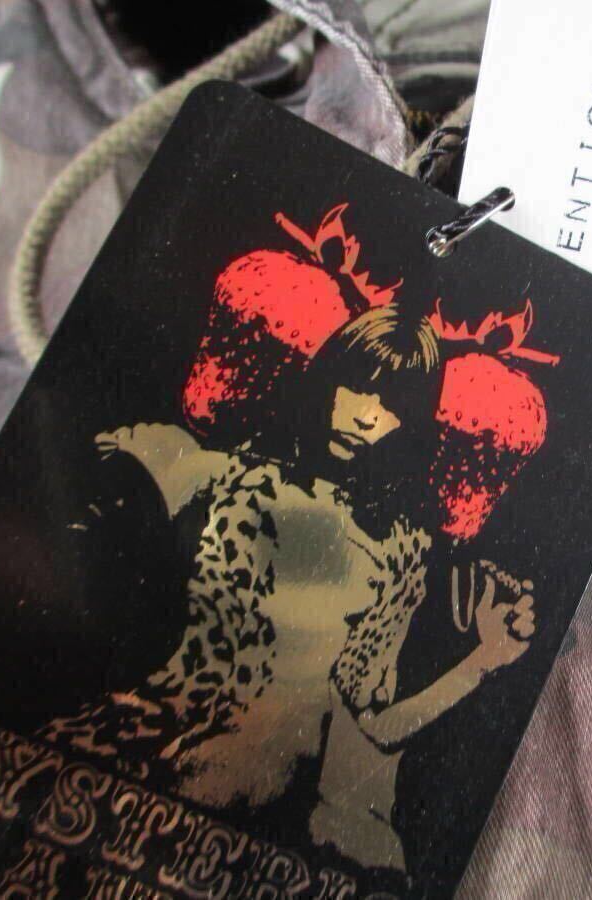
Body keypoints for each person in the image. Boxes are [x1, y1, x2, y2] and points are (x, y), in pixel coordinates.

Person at [39, 303, 534, 866]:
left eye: (393, 405)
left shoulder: (399, 547)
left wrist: (483, 662)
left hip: (256, 773)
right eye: (356, 386)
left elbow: (373, 723)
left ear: (412, 422)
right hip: (145, 724)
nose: (366, 416)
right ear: (326, 377)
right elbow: (113, 480)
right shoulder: (228, 474)